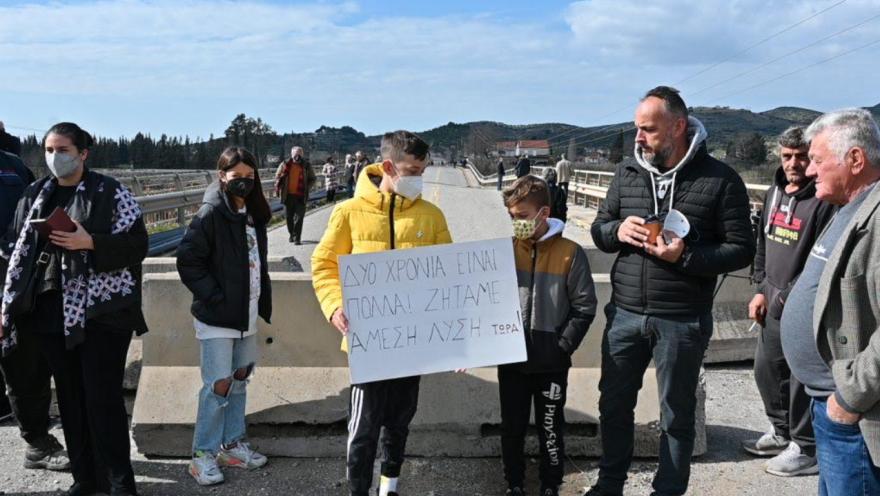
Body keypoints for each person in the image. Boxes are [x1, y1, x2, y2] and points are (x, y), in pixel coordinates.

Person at [588, 87, 755, 496]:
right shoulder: (628, 172)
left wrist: (685, 256)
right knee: (613, 406)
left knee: (677, 415)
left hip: (682, 319)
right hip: (625, 313)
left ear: (678, 127)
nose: (638, 139)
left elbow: (741, 249)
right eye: (636, 130)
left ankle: (668, 491)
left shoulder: (720, 179)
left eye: (648, 130)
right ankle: (610, 484)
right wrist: (616, 230)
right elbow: (599, 228)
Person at [0, 122, 149, 496]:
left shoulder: (110, 191)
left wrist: (90, 242)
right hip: (48, 313)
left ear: (83, 154)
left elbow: (137, 245)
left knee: (102, 399)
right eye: (49, 150)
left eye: (63, 150)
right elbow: (13, 246)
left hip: (103, 312)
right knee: (68, 399)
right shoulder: (35, 192)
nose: (55, 157)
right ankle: (86, 479)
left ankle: (119, 485)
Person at [311, 131, 452, 496]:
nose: (418, 178)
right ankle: (358, 490)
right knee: (364, 426)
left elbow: (450, 276)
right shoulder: (348, 212)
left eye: (423, 170)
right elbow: (324, 265)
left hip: (412, 344)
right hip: (368, 342)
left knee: (399, 423)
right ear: (389, 166)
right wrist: (334, 306)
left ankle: (390, 487)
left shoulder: (432, 215)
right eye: (412, 170)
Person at [780, 108, 880, 495]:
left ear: (855, 160)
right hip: (829, 406)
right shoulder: (848, 208)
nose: (808, 170)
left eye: (818, 160)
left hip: (854, 413)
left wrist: (850, 396)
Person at [742, 126, 835, 476]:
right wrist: (759, 289)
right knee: (767, 370)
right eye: (787, 156)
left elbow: (818, 258)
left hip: (800, 303)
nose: (793, 163)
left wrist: (787, 297)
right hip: (770, 298)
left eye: (801, 156)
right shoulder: (774, 193)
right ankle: (781, 432)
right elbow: (763, 244)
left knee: (799, 379)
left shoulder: (821, 200)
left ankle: (806, 447)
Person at [177, 147, 273, 486]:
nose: (244, 183)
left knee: (240, 376)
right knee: (217, 383)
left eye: (250, 177)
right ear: (222, 177)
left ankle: (231, 444)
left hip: (246, 314)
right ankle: (202, 454)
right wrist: (216, 298)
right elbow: (188, 261)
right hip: (218, 316)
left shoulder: (254, 211)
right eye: (236, 178)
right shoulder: (211, 212)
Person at [500, 175, 597, 496]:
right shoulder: (504, 252)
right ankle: (514, 482)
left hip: (551, 363)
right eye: (512, 217)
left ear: (544, 213)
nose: (517, 224)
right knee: (511, 428)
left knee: (551, 429)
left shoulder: (570, 253)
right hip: (511, 360)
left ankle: (551, 484)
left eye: (522, 217)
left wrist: (562, 347)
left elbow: (585, 307)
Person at [0, 148, 71, 472]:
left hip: (19, 284)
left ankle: (37, 442)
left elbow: (36, 209)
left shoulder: (12, 165)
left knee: (27, 365)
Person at [275, 146, 316, 245]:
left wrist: (307, 189)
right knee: (289, 217)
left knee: (299, 217)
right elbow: (278, 175)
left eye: (299, 154)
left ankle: (297, 237)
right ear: (291, 154)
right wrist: (278, 182)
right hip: (287, 195)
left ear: (302, 155)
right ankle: (291, 234)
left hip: (301, 195)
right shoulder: (285, 164)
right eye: (295, 154)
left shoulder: (306, 165)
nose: (297, 156)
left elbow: (313, 178)